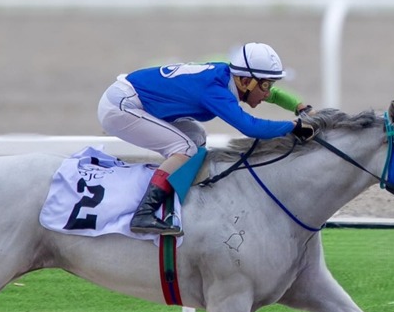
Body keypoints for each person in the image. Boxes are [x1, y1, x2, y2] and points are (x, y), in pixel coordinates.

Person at [97, 42, 315, 236]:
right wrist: (294, 127)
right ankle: (143, 214)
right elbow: (250, 127)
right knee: (184, 147)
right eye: (266, 85)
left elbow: (274, 96)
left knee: (197, 136)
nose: (268, 93)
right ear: (246, 81)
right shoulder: (215, 91)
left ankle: (177, 199)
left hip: (133, 99)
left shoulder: (228, 76)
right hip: (120, 106)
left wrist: (300, 107)